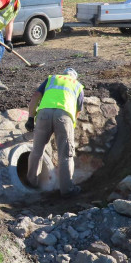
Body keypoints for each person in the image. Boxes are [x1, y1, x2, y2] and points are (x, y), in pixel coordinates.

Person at [25, 67, 85, 197]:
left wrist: (30, 117)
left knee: (37, 150)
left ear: (62, 75)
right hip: (64, 116)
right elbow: (77, 110)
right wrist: (71, 125)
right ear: (74, 77)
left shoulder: (52, 79)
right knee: (65, 155)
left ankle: (31, 183)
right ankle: (67, 190)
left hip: (44, 114)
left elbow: (36, 96)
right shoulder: (77, 85)